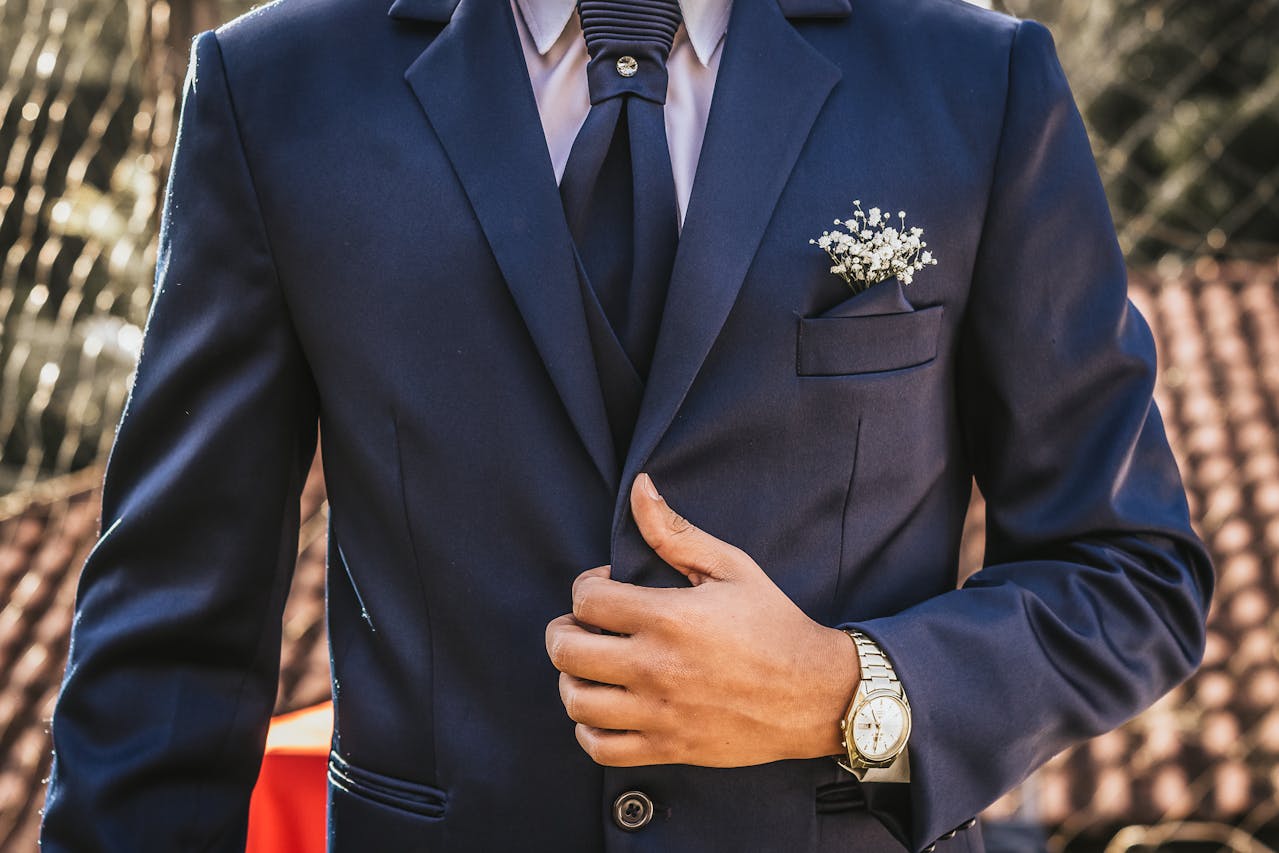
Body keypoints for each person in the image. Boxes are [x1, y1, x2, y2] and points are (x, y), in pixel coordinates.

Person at [38, 0, 1214, 850]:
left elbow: (1129, 572)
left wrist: (848, 689)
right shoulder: (278, 88)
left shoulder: (975, 80)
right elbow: (172, 634)